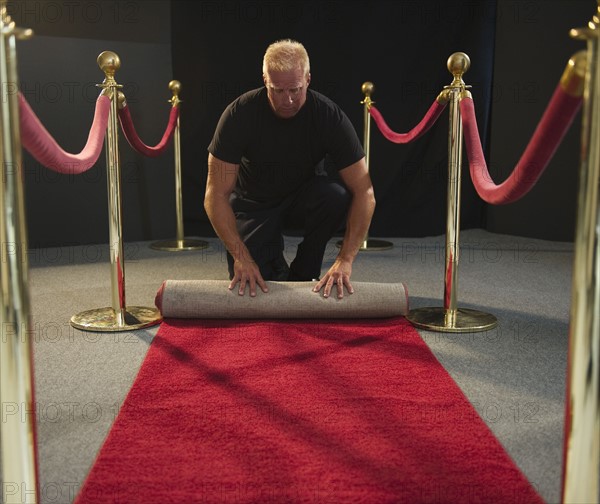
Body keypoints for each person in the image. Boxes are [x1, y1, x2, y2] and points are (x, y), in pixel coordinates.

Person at [205, 39, 375, 299]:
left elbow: (365, 192)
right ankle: (270, 262)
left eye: (295, 89)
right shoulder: (239, 114)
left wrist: (346, 260)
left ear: (308, 79)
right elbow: (214, 196)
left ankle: (306, 268)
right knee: (256, 287)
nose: (288, 99)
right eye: (278, 90)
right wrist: (241, 257)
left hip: (302, 200)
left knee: (335, 196)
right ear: (265, 80)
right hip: (254, 203)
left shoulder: (328, 116)